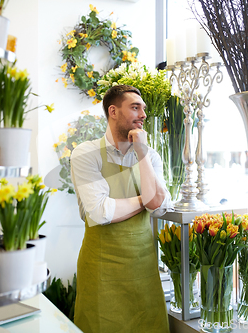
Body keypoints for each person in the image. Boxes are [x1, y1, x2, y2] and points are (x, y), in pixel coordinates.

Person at [71, 85, 172, 333]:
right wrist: (144, 200)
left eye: (144, 109)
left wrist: (142, 153)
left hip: (144, 271)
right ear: (113, 111)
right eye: (135, 107)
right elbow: (100, 212)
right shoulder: (86, 154)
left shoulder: (151, 157)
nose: (143, 115)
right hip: (101, 273)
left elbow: (161, 207)